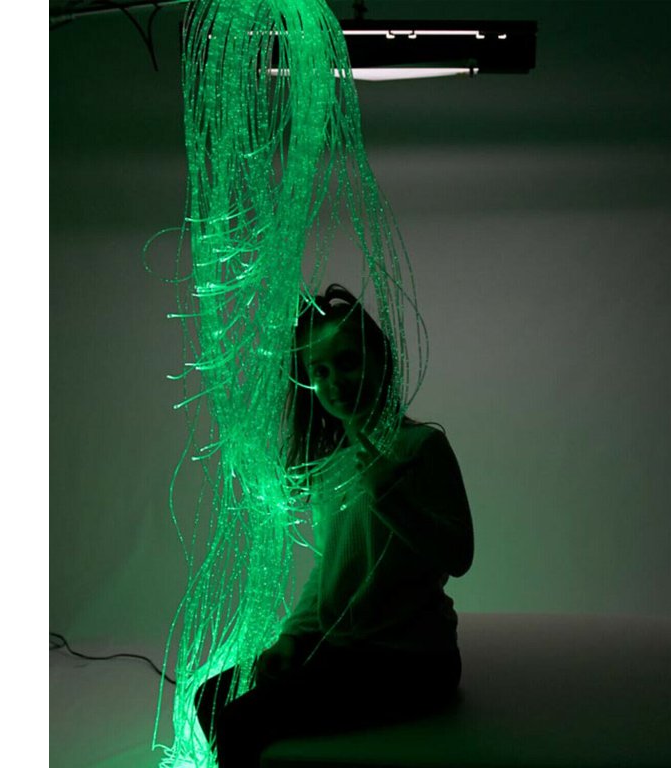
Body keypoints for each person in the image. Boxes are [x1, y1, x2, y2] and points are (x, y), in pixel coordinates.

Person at [195, 284, 474, 768]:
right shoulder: (330, 467)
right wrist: (292, 637)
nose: (334, 382)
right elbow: (330, 568)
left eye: (347, 362)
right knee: (209, 696)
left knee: (241, 722)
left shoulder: (422, 447)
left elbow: (458, 555)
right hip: (342, 649)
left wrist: (389, 494)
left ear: (381, 361)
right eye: (319, 371)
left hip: (412, 660)